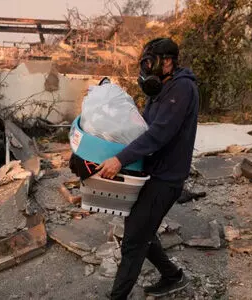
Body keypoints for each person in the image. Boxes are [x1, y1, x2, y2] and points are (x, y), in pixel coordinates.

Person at [97, 38, 199, 299]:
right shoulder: (161, 89)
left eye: (149, 62)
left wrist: (120, 159)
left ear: (167, 61)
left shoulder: (182, 88)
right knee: (141, 230)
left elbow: (158, 135)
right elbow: (142, 128)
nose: (146, 68)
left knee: (133, 240)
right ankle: (173, 276)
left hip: (166, 179)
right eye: (144, 63)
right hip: (150, 171)